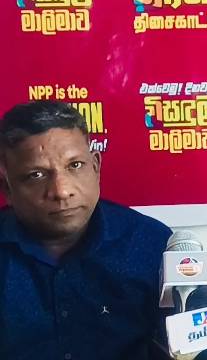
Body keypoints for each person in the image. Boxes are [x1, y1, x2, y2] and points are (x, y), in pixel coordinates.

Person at [0, 101, 172, 360]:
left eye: (75, 166)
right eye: (36, 175)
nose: (61, 191)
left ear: (96, 166)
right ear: (7, 188)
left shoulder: (152, 245)